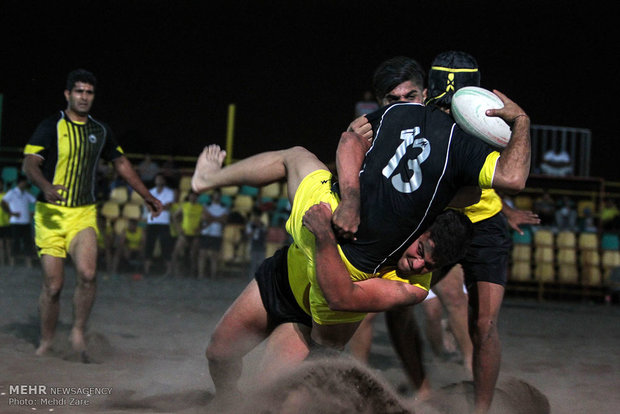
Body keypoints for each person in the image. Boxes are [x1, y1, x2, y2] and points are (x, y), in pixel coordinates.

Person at [348, 51, 537, 413]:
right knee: (392, 303)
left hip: (483, 225)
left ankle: (480, 406)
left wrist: (506, 209)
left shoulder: (484, 116)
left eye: (409, 95)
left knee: (483, 323)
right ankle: (419, 391)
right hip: (435, 221)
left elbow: (495, 175)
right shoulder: (414, 118)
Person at [22, 69, 163, 358]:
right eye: (79, 91)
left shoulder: (100, 131)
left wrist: (147, 195)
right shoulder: (51, 126)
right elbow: (30, 164)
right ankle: (47, 340)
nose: (84, 97)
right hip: (49, 215)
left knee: (88, 274)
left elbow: (121, 164)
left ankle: (77, 330)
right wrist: (45, 186)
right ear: (67, 94)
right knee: (53, 286)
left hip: (83, 213)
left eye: (89, 92)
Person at [1, 174, 37, 267]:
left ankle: (28, 264)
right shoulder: (12, 193)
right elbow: (3, 202)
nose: (25, 184)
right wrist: (11, 213)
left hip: (25, 222)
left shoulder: (26, 193)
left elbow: (35, 201)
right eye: (24, 182)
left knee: (27, 243)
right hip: (15, 222)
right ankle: (13, 263)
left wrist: (32, 212)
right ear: (20, 183)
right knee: (15, 243)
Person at [143, 173, 175, 276]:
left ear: (164, 181)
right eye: (157, 179)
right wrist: (160, 206)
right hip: (151, 221)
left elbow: (168, 206)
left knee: (165, 246)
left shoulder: (169, 192)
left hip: (164, 222)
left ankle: (169, 270)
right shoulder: (150, 192)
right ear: (155, 180)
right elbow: (148, 206)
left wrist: (155, 206)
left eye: (161, 179)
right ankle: (146, 270)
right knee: (149, 245)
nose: (159, 180)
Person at [197, 189, 228, 279]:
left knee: (214, 256)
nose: (217, 196)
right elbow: (204, 217)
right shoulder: (205, 205)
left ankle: (213, 275)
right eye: (215, 194)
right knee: (202, 254)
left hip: (217, 233)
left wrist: (211, 219)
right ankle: (201, 275)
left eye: (218, 195)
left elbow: (224, 220)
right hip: (206, 232)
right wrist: (218, 219)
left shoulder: (224, 207)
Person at [171, 190, 202, 277]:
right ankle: (174, 272)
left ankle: (193, 273)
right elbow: (174, 216)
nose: (193, 197)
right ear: (189, 196)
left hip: (195, 234)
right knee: (176, 253)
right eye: (192, 195)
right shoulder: (184, 206)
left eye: (195, 196)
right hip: (184, 233)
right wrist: (178, 228)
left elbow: (205, 220)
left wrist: (200, 228)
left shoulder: (200, 207)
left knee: (193, 255)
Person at [246, 206, 267, 280]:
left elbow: (265, 235)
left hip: (261, 245)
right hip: (254, 245)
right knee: (253, 264)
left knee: (261, 264)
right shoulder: (250, 225)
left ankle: (260, 279)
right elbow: (249, 235)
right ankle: (251, 279)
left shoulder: (262, 225)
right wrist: (255, 228)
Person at [0, 178, 11, 267]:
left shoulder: (7, 195)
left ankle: (10, 263)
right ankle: (3, 263)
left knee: (8, 245)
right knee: (1, 246)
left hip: (7, 223)